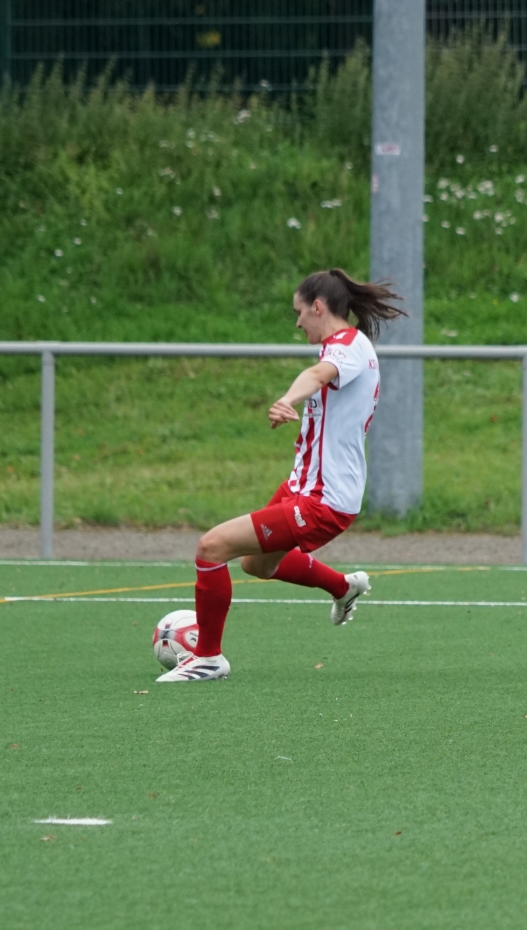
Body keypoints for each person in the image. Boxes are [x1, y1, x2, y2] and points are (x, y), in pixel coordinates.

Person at [157, 269, 404, 683]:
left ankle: (208, 658)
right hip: (303, 487)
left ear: (318, 307)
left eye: (299, 312)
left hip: (323, 499)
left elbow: (316, 375)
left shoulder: (347, 346)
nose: (298, 322)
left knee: (211, 547)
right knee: (255, 564)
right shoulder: (343, 347)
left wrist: (287, 399)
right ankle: (342, 587)